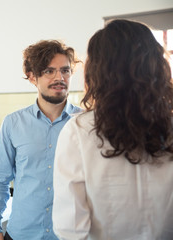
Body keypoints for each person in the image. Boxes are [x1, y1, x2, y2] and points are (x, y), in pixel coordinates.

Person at [52, 19, 173, 239]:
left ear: (97, 72)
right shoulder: (169, 128)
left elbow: (70, 228)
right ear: (156, 65)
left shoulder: (78, 131)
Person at [0, 40, 82, 240]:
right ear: (32, 77)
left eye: (65, 70)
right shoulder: (13, 123)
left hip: (69, 235)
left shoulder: (85, 124)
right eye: (49, 71)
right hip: (21, 233)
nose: (59, 77)